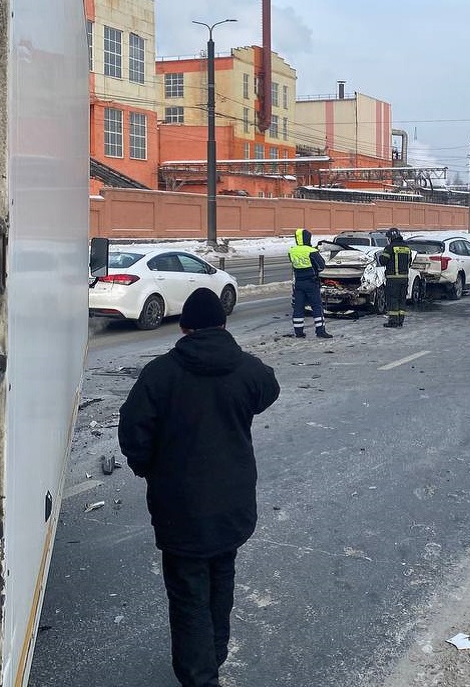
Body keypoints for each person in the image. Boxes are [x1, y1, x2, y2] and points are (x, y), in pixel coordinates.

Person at [118, 287, 281, 687]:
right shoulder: (246, 369)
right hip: (232, 503)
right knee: (221, 576)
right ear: (223, 324)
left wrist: (148, 468)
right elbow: (268, 389)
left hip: (180, 507)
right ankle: (214, 652)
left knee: (189, 592)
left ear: (185, 327)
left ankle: (200, 675)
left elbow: (132, 431)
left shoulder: (160, 373)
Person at [288, 228, 332, 338]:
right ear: (307, 238)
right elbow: (321, 265)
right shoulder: (311, 251)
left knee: (298, 307)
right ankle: (320, 331)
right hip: (311, 282)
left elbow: (293, 263)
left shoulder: (292, 250)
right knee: (317, 307)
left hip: (298, 283)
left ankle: (298, 332)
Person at [377, 227, 413, 328]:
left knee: (392, 300)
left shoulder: (390, 247)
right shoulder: (407, 248)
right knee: (402, 300)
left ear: (391, 237)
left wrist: (381, 256)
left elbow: (383, 261)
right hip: (404, 279)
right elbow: (409, 262)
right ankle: (400, 321)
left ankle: (393, 321)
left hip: (393, 279)